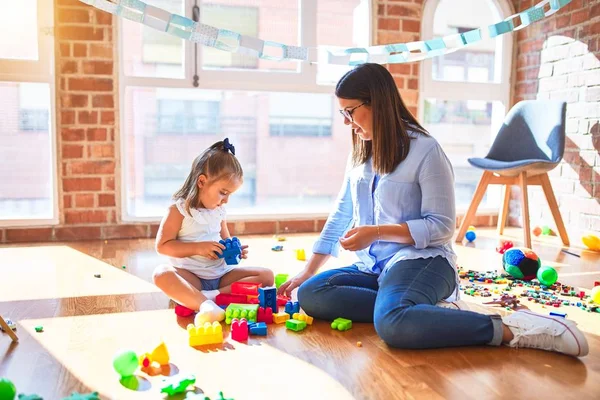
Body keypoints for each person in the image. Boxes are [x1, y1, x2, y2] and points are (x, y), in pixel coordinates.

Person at [278, 63, 588, 357]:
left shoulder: (426, 151)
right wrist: (307, 272)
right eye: (342, 112)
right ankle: (420, 308)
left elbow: (441, 226)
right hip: (376, 267)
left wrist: (377, 232)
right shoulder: (361, 153)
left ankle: (512, 328)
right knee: (312, 293)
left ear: (377, 103)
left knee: (393, 323)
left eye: (350, 112)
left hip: (423, 261)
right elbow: (341, 213)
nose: (346, 122)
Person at [153, 138, 274, 322]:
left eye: (229, 195)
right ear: (202, 181)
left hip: (221, 276)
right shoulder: (178, 210)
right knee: (161, 274)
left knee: (266, 276)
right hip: (192, 276)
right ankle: (204, 304)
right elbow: (162, 246)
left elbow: (225, 240)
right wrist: (198, 248)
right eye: (223, 193)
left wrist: (235, 251)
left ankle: (207, 299)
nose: (225, 200)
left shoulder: (219, 211)